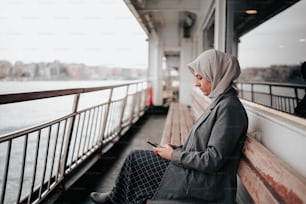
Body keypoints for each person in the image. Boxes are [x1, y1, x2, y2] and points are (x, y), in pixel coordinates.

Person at [90, 49, 248, 204]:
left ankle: (115, 199)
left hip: (203, 184)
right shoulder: (222, 103)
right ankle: (116, 198)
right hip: (196, 173)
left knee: (136, 161)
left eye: (200, 78)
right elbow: (204, 147)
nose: (196, 83)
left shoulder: (229, 109)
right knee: (137, 164)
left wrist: (173, 155)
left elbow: (213, 160)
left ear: (217, 75)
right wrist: (175, 148)